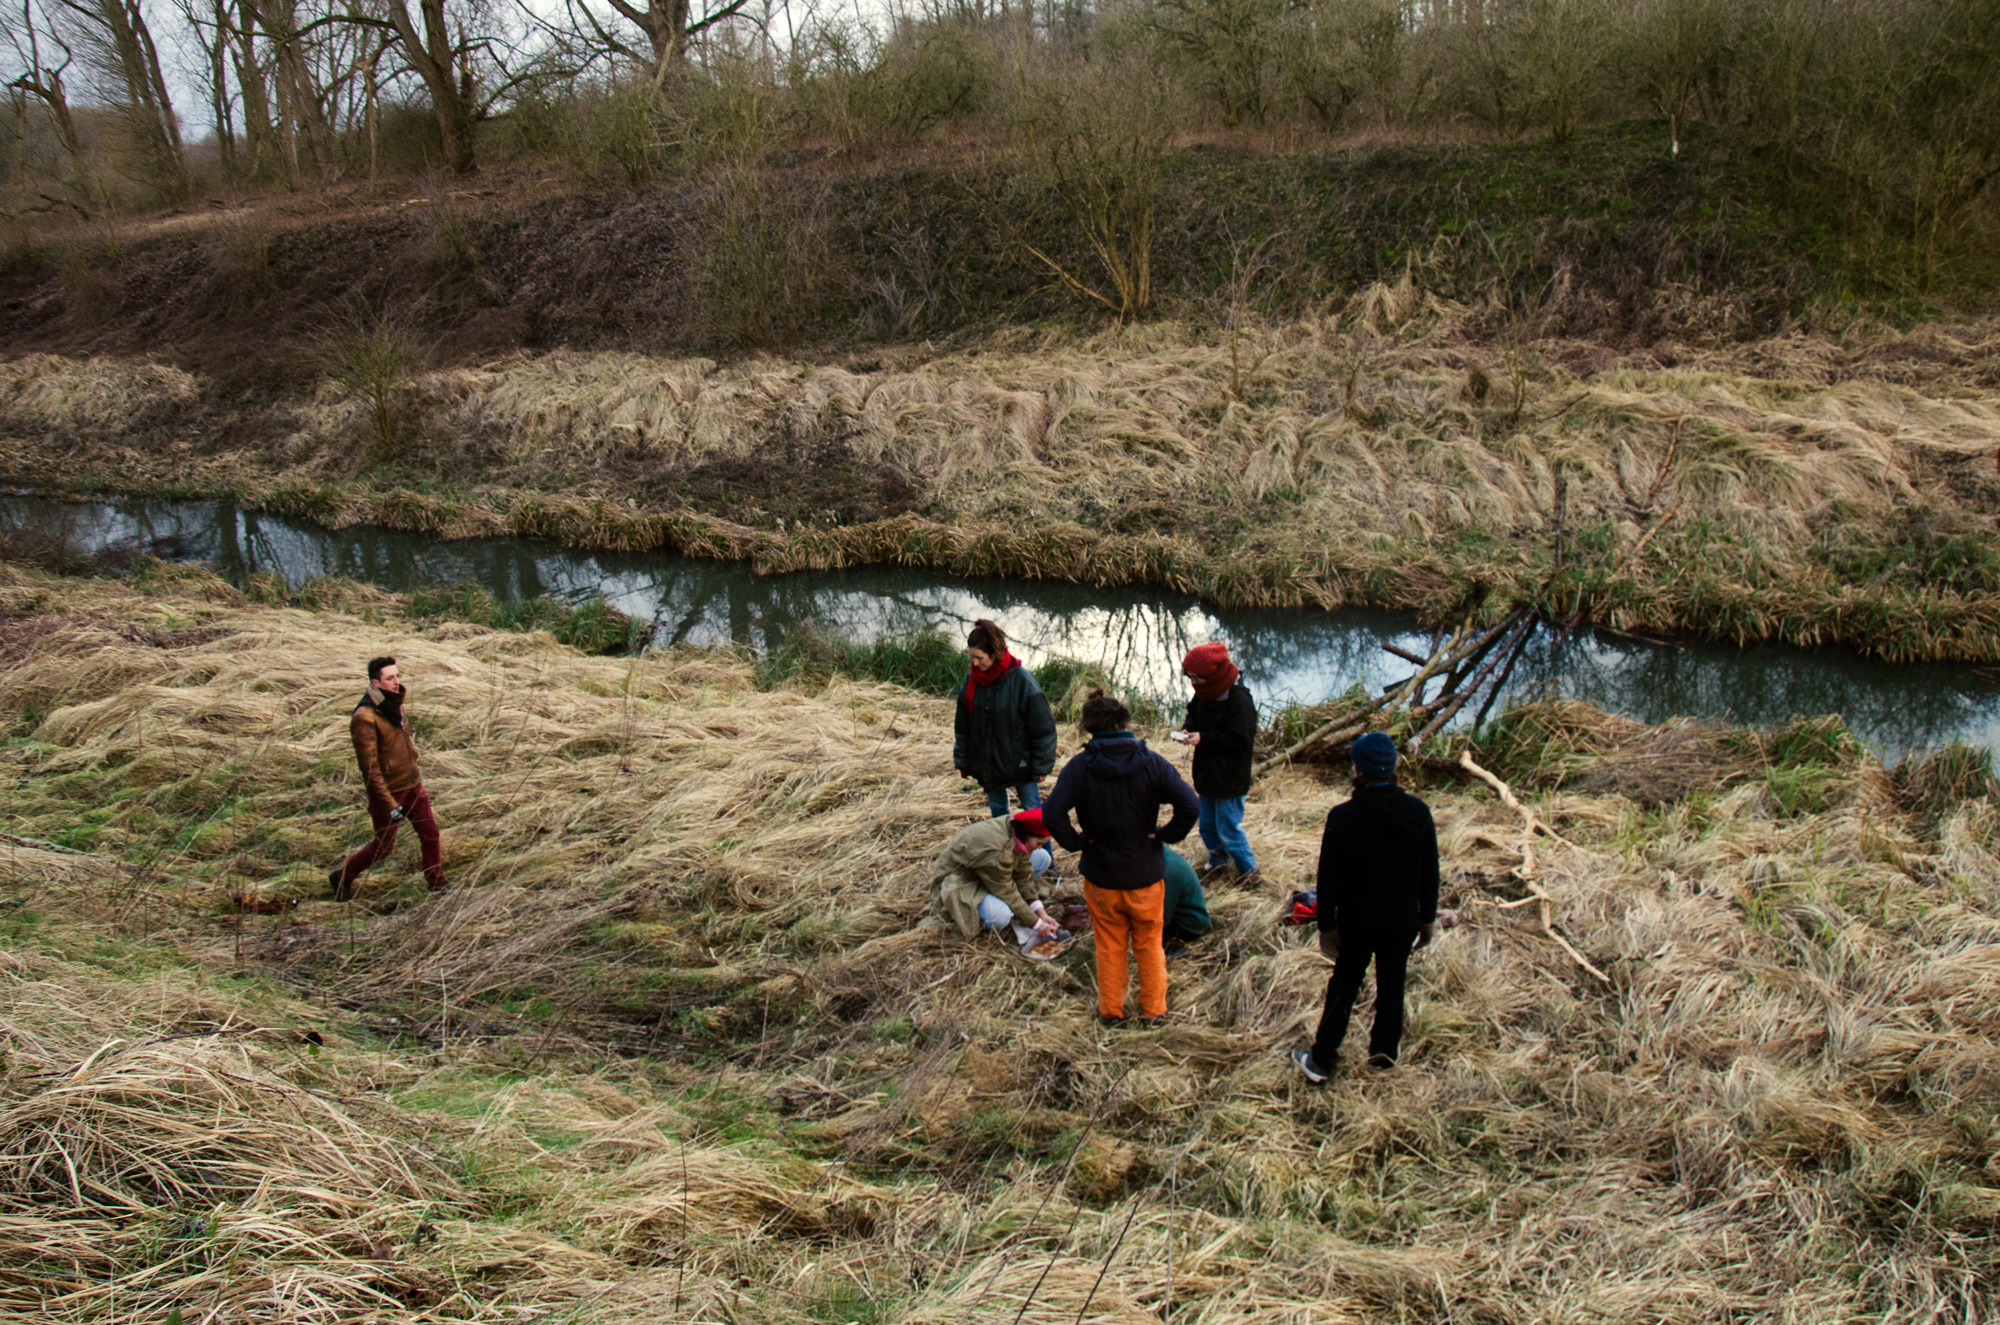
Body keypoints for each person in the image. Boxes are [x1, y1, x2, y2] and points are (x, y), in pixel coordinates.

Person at [1043, 691, 1199, 1026]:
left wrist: (1077, 843)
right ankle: (1154, 1011)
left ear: (1089, 727)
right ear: (1124, 721)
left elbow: (1052, 813)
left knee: (1109, 946)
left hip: (1101, 877)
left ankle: (1111, 1012)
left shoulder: (1079, 767)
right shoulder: (1153, 762)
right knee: (1149, 944)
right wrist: (1165, 834)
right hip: (1145, 875)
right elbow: (1191, 805)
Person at [1292, 732, 1439, 1083]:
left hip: (1355, 924)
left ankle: (1321, 1061)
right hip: (1401, 923)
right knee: (1392, 987)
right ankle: (1384, 1060)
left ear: (1357, 769)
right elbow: (1430, 873)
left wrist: (1326, 927)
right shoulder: (1419, 813)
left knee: (1343, 987)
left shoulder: (1343, 817)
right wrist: (1427, 921)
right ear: (1395, 767)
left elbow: (1328, 880)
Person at [329, 656, 447, 901]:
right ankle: (343, 876)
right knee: (383, 848)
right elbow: (370, 770)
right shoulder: (364, 717)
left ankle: (437, 885)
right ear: (376, 682)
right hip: (389, 793)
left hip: (413, 784)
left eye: (398, 676)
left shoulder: (393, 703)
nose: (397, 682)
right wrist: (390, 805)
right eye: (390, 678)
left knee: (430, 835)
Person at [955, 619, 1058, 819]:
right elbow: (963, 726)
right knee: (999, 814)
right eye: (972, 657)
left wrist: (1041, 766)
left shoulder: (1022, 680)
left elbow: (1043, 728)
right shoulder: (971, 681)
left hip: (1021, 764)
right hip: (987, 764)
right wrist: (963, 761)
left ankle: (1042, 852)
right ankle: (1006, 849)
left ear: (995, 654)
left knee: (1033, 814)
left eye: (979, 657)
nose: (974, 663)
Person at [928, 808, 1066, 957]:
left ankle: (1012, 906)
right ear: (1028, 833)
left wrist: (1042, 914)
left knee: (1043, 857)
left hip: (990, 873)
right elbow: (1006, 890)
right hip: (962, 881)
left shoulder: (1018, 832)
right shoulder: (996, 851)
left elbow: (1023, 875)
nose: (1039, 846)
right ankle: (979, 913)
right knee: (1001, 916)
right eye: (1039, 842)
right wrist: (1036, 924)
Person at [1177, 642, 1259, 887]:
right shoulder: (1205, 691)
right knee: (1208, 827)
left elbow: (1240, 738)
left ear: (1212, 674)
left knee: (1229, 830)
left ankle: (1249, 872)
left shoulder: (1239, 699)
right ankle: (1217, 863)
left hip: (1230, 777)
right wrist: (1188, 728)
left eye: (1197, 678)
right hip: (1207, 774)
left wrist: (1205, 738)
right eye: (1190, 677)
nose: (1194, 682)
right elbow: (1193, 713)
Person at [1161, 850, 1213, 960]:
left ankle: (1172, 948)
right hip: (1180, 913)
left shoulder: (1166, 869)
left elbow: (1162, 918)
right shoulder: (1161, 854)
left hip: (1189, 925)